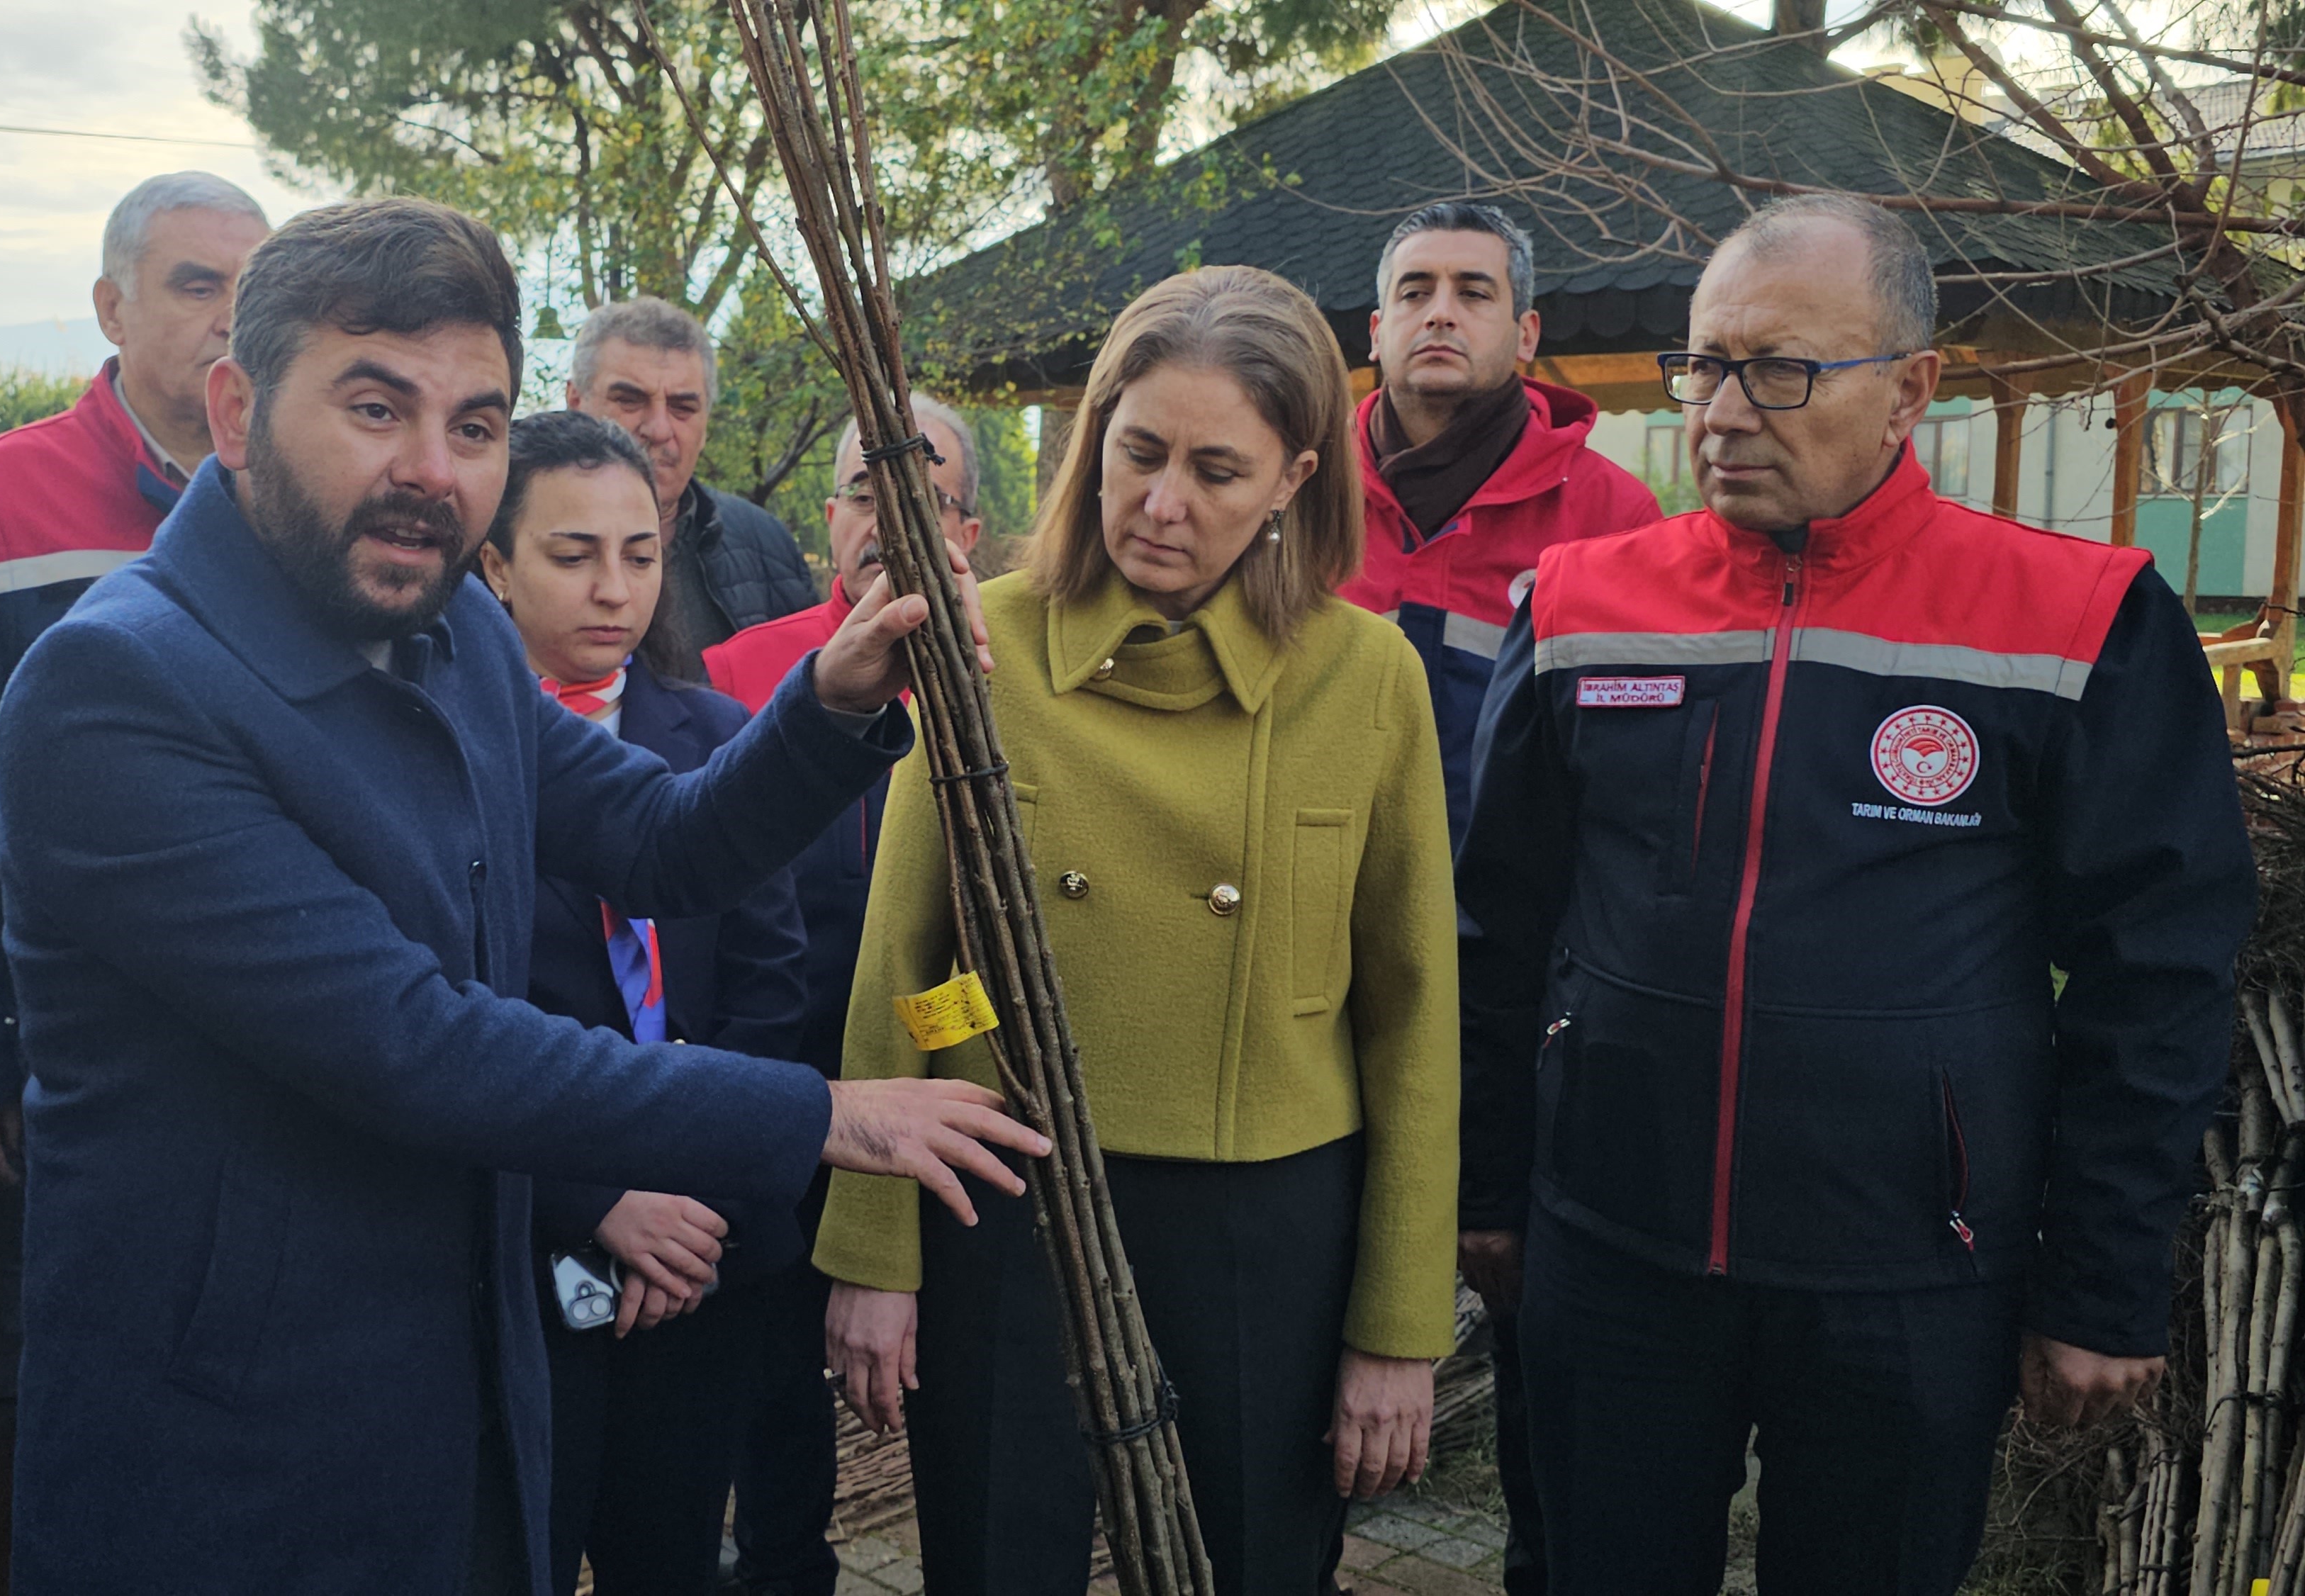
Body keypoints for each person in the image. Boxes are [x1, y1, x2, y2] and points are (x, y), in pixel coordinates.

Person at [0, 195, 1048, 1594]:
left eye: (475, 425)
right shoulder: (116, 691)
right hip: (236, 1447)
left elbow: (660, 843)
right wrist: (821, 1111)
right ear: (237, 409)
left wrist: (829, 702)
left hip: (470, 1385)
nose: (432, 471)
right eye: (375, 407)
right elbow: (414, 1042)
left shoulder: (448, 638)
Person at [1454, 195, 2254, 1596]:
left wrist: (2101, 1281)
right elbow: (1494, 930)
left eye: (1778, 369)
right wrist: (1485, 1188)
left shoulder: (2072, 620)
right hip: (1611, 1249)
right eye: (1700, 366)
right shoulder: (1580, 606)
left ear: (1911, 389)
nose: (1719, 411)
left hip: (1908, 1278)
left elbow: (2158, 976)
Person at [817, 266, 1462, 1596]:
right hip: (1005, 1193)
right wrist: (879, 1252)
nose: (1164, 504)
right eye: (1139, 451)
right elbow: (915, 970)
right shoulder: (975, 642)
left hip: (1267, 1224)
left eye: (1217, 470)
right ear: (1092, 437)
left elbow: (1410, 1021)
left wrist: (1399, 1323)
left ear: (1292, 478)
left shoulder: (1369, 679)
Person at [0, 169, 267, 1593]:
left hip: (248, 1035)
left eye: (249, 289)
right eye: (193, 283)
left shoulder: (291, 494)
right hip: (40, 1057)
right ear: (110, 305)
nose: (226, 318)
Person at [1335, 201, 1663, 1596]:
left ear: (1525, 334)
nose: (1438, 312)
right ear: (1371, 329)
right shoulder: (1287, 490)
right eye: (1411, 289)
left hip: (1520, 1001)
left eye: (1472, 290)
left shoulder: (1611, 520)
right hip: (1319, 980)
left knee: (1537, 1345)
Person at [475, 408, 814, 1593]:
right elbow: (446, 1020)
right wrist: (597, 1195)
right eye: (572, 555)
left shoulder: (718, 737)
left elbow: (774, 987)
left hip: (703, 1253)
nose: (612, 588)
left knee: (668, 1552)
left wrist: (689, 1198)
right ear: (495, 563)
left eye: (640, 552)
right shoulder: (453, 759)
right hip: (521, 1248)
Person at [702, 394, 985, 1596]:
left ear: (968, 532)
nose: (890, 521)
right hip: (782, 1085)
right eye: (868, 493)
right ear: (827, 522)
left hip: (942, 1087)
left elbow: (1005, 947)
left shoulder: (1000, 679)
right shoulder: (740, 673)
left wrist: (924, 1038)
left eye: (924, 495)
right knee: (772, 1404)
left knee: (958, 1395)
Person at [566, 297, 819, 657]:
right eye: (630, 400)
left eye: (682, 408)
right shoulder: (503, 539)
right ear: (575, 403)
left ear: (706, 426)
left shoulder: (768, 548)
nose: (658, 429)